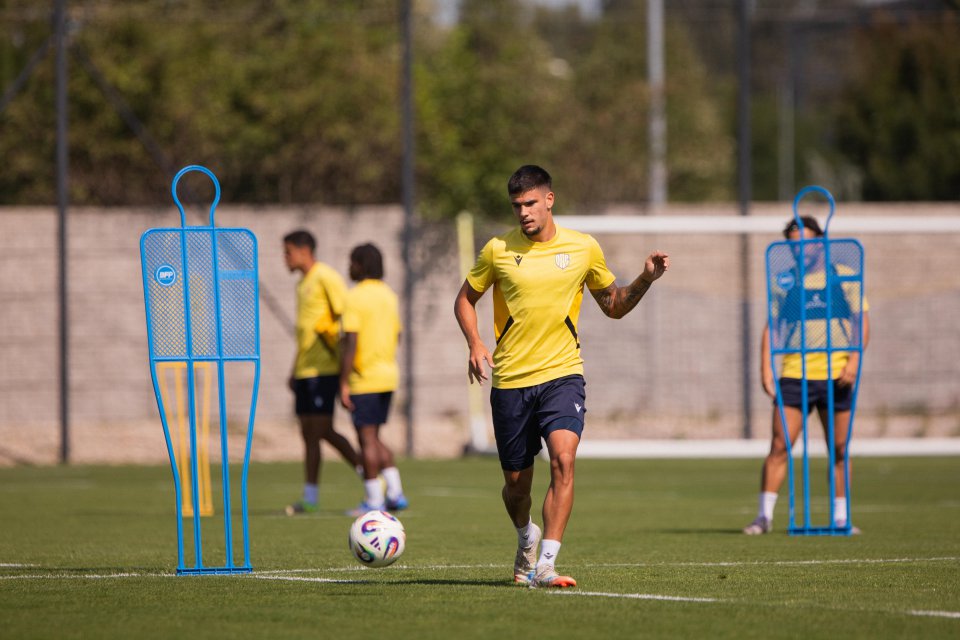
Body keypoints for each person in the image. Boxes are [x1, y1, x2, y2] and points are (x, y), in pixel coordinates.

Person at [454, 165, 669, 588]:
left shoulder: (583, 247)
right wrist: (475, 343)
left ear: (549, 200)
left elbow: (614, 305)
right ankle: (526, 537)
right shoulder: (497, 250)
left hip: (563, 374)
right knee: (517, 488)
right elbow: (464, 299)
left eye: (530, 203)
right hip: (511, 381)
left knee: (563, 461)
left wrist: (646, 278)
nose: (524, 212)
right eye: (517, 205)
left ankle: (546, 565)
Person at [743, 216, 870, 535]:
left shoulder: (843, 276)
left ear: (820, 242)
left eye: (804, 242)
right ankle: (763, 517)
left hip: (836, 373)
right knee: (779, 445)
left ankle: (841, 517)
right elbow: (772, 326)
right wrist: (765, 368)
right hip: (795, 373)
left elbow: (861, 321)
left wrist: (854, 360)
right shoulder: (785, 281)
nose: (798, 249)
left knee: (839, 449)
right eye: (793, 244)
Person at [283, 230, 363, 515]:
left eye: (288, 252)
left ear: (304, 251)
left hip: (324, 368)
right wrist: (294, 369)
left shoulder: (325, 276)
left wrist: (335, 343)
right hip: (305, 369)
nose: (285, 258)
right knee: (309, 432)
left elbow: (346, 315)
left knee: (322, 429)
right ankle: (310, 497)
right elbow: (304, 334)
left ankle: (370, 475)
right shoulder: (302, 284)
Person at [339, 243, 408, 516]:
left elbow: (351, 342)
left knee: (366, 441)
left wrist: (344, 382)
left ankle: (374, 500)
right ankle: (395, 493)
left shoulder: (355, 296)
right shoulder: (389, 295)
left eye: (352, 262)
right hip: (388, 375)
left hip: (364, 378)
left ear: (360, 265)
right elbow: (397, 335)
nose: (349, 267)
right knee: (374, 438)